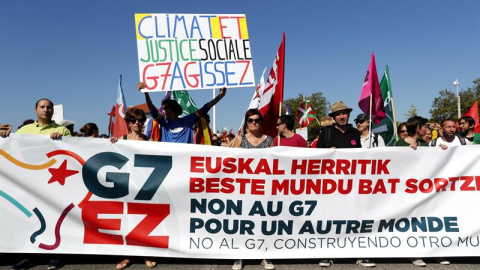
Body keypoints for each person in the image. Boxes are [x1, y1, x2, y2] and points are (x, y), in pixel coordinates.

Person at [12, 98, 70, 270]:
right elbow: (14, 149)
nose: (46, 109)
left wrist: (61, 141)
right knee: (30, 218)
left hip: (55, 181)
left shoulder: (63, 130)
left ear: (53, 111)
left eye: (49, 107)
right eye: (42, 107)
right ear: (35, 110)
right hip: (30, 181)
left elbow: (71, 153)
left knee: (55, 217)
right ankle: (30, 256)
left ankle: (56, 255)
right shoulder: (24, 130)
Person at [316, 102, 368, 267]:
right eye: (338, 114)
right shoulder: (327, 132)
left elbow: (360, 156)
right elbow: (316, 158)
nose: (341, 116)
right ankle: (327, 253)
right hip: (331, 186)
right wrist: (327, 153)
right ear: (333, 117)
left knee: (353, 219)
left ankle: (357, 253)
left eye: (344, 113)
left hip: (351, 185)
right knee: (331, 220)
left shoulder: (354, 133)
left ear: (348, 115)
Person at [110, 108, 154, 269]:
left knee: (143, 221)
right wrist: (111, 144)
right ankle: (127, 256)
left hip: (144, 186)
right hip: (125, 186)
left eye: (140, 121)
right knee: (127, 221)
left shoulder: (150, 142)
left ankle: (146, 254)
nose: (137, 123)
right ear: (128, 123)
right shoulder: (120, 140)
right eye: (134, 120)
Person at [231, 109, 274, 270]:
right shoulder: (239, 140)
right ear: (246, 123)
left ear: (261, 122)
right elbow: (231, 162)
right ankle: (239, 256)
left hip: (264, 188)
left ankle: (265, 255)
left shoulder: (269, 140)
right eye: (250, 120)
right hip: (243, 188)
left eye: (257, 120)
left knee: (263, 221)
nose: (254, 123)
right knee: (243, 222)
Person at [138, 82, 226, 143]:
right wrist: (146, 93)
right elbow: (152, 109)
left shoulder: (188, 120)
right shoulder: (163, 123)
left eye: (165, 108)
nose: (163, 111)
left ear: (173, 109)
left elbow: (205, 108)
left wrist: (220, 96)